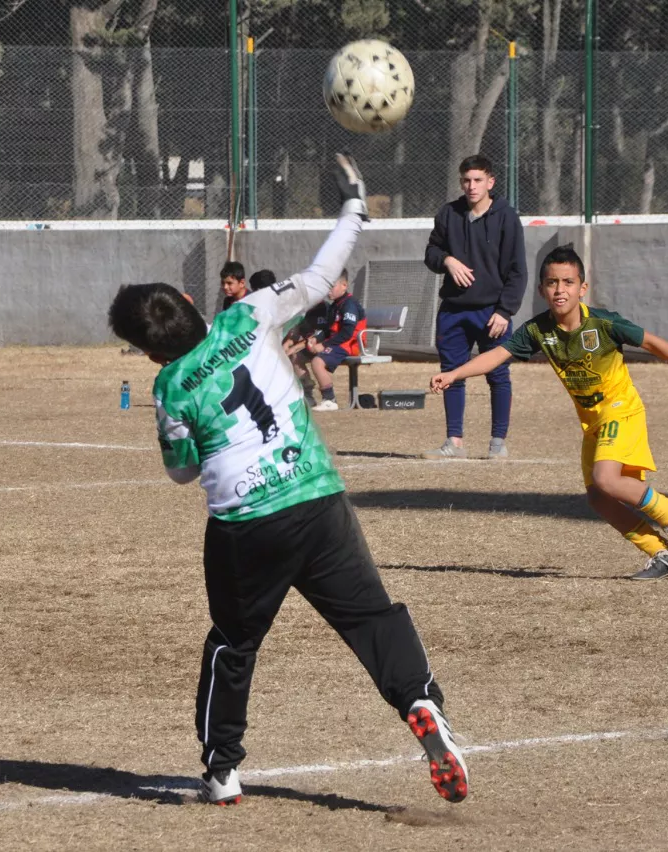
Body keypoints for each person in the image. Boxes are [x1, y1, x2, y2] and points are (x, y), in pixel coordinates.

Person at [107, 155, 469, 807]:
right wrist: (354, 208)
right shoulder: (248, 316)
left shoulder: (167, 384)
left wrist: (187, 428)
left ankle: (222, 770)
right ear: (193, 304)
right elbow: (319, 275)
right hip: (317, 497)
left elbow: (181, 471)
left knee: (234, 642)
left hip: (248, 524)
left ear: (153, 352)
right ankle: (420, 702)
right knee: (370, 617)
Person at [429, 245, 668, 580]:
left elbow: (652, 342)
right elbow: (498, 355)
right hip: (593, 422)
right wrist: (454, 373)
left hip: (621, 410)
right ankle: (659, 552)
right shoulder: (538, 330)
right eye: (552, 282)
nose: (560, 289)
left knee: (606, 479)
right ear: (542, 289)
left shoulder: (603, 323)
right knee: (599, 498)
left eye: (568, 282)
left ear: (582, 288)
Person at [422, 154, 526, 460]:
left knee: (498, 374)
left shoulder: (507, 217)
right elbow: (431, 252)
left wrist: (505, 310)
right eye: (466, 180)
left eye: (478, 180)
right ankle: (454, 442)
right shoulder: (448, 214)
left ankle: (497, 442)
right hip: (454, 310)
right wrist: (447, 260)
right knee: (452, 373)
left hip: (492, 312)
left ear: (490, 182)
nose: (472, 186)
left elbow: (518, 270)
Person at [307, 269, 366, 412]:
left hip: (351, 345)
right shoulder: (335, 305)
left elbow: (347, 332)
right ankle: (305, 394)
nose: (328, 291)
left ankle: (330, 400)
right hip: (339, 343)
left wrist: (324, 345)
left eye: (331, 286)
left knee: (317, 362)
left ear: (344, 285)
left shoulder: (349, 305)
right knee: (298, 356)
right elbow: (328, 329)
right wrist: (316, 338)